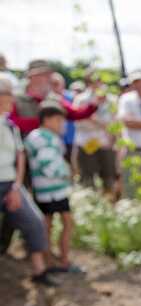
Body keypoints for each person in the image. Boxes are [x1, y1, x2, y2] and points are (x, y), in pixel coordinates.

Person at [0, 75, 56, 286]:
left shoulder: (9, 125)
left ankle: (39, 271)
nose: (11, 101)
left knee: (35, 222)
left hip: (9, 184)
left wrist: (16, 186)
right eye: (7, 97)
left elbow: (20, 155)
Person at [25, 100, 81, 273]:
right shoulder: (43, 138)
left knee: (48, 225)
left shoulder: (38, 136)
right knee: (63, 223)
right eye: (59, 120)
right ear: (47, 119)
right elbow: (48, 165)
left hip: (46, 189)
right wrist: (67, 174)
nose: (62, 124)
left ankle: (51, 259)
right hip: (52, 190)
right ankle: (59, 260)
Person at [8, 59, 101, 138]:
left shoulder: (54, 98)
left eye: (48, 74)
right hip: (25, 151)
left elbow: (74, 114)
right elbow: (11, 122)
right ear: (32, 77)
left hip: (51, 150)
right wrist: (44, 123)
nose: (48, 78)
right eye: (43, 74)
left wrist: (93, 105)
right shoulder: (16, 98)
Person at [73, 71, 116, 194]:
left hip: (106, 144)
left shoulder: (111, 100)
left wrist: (92, 119)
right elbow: (79, 122)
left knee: (108, 178)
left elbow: (115, 123)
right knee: (88, 178)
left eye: (99, 80)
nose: (97, 83)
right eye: (93, 80)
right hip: (86, 144)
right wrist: (102, 124)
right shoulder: (81, 99)